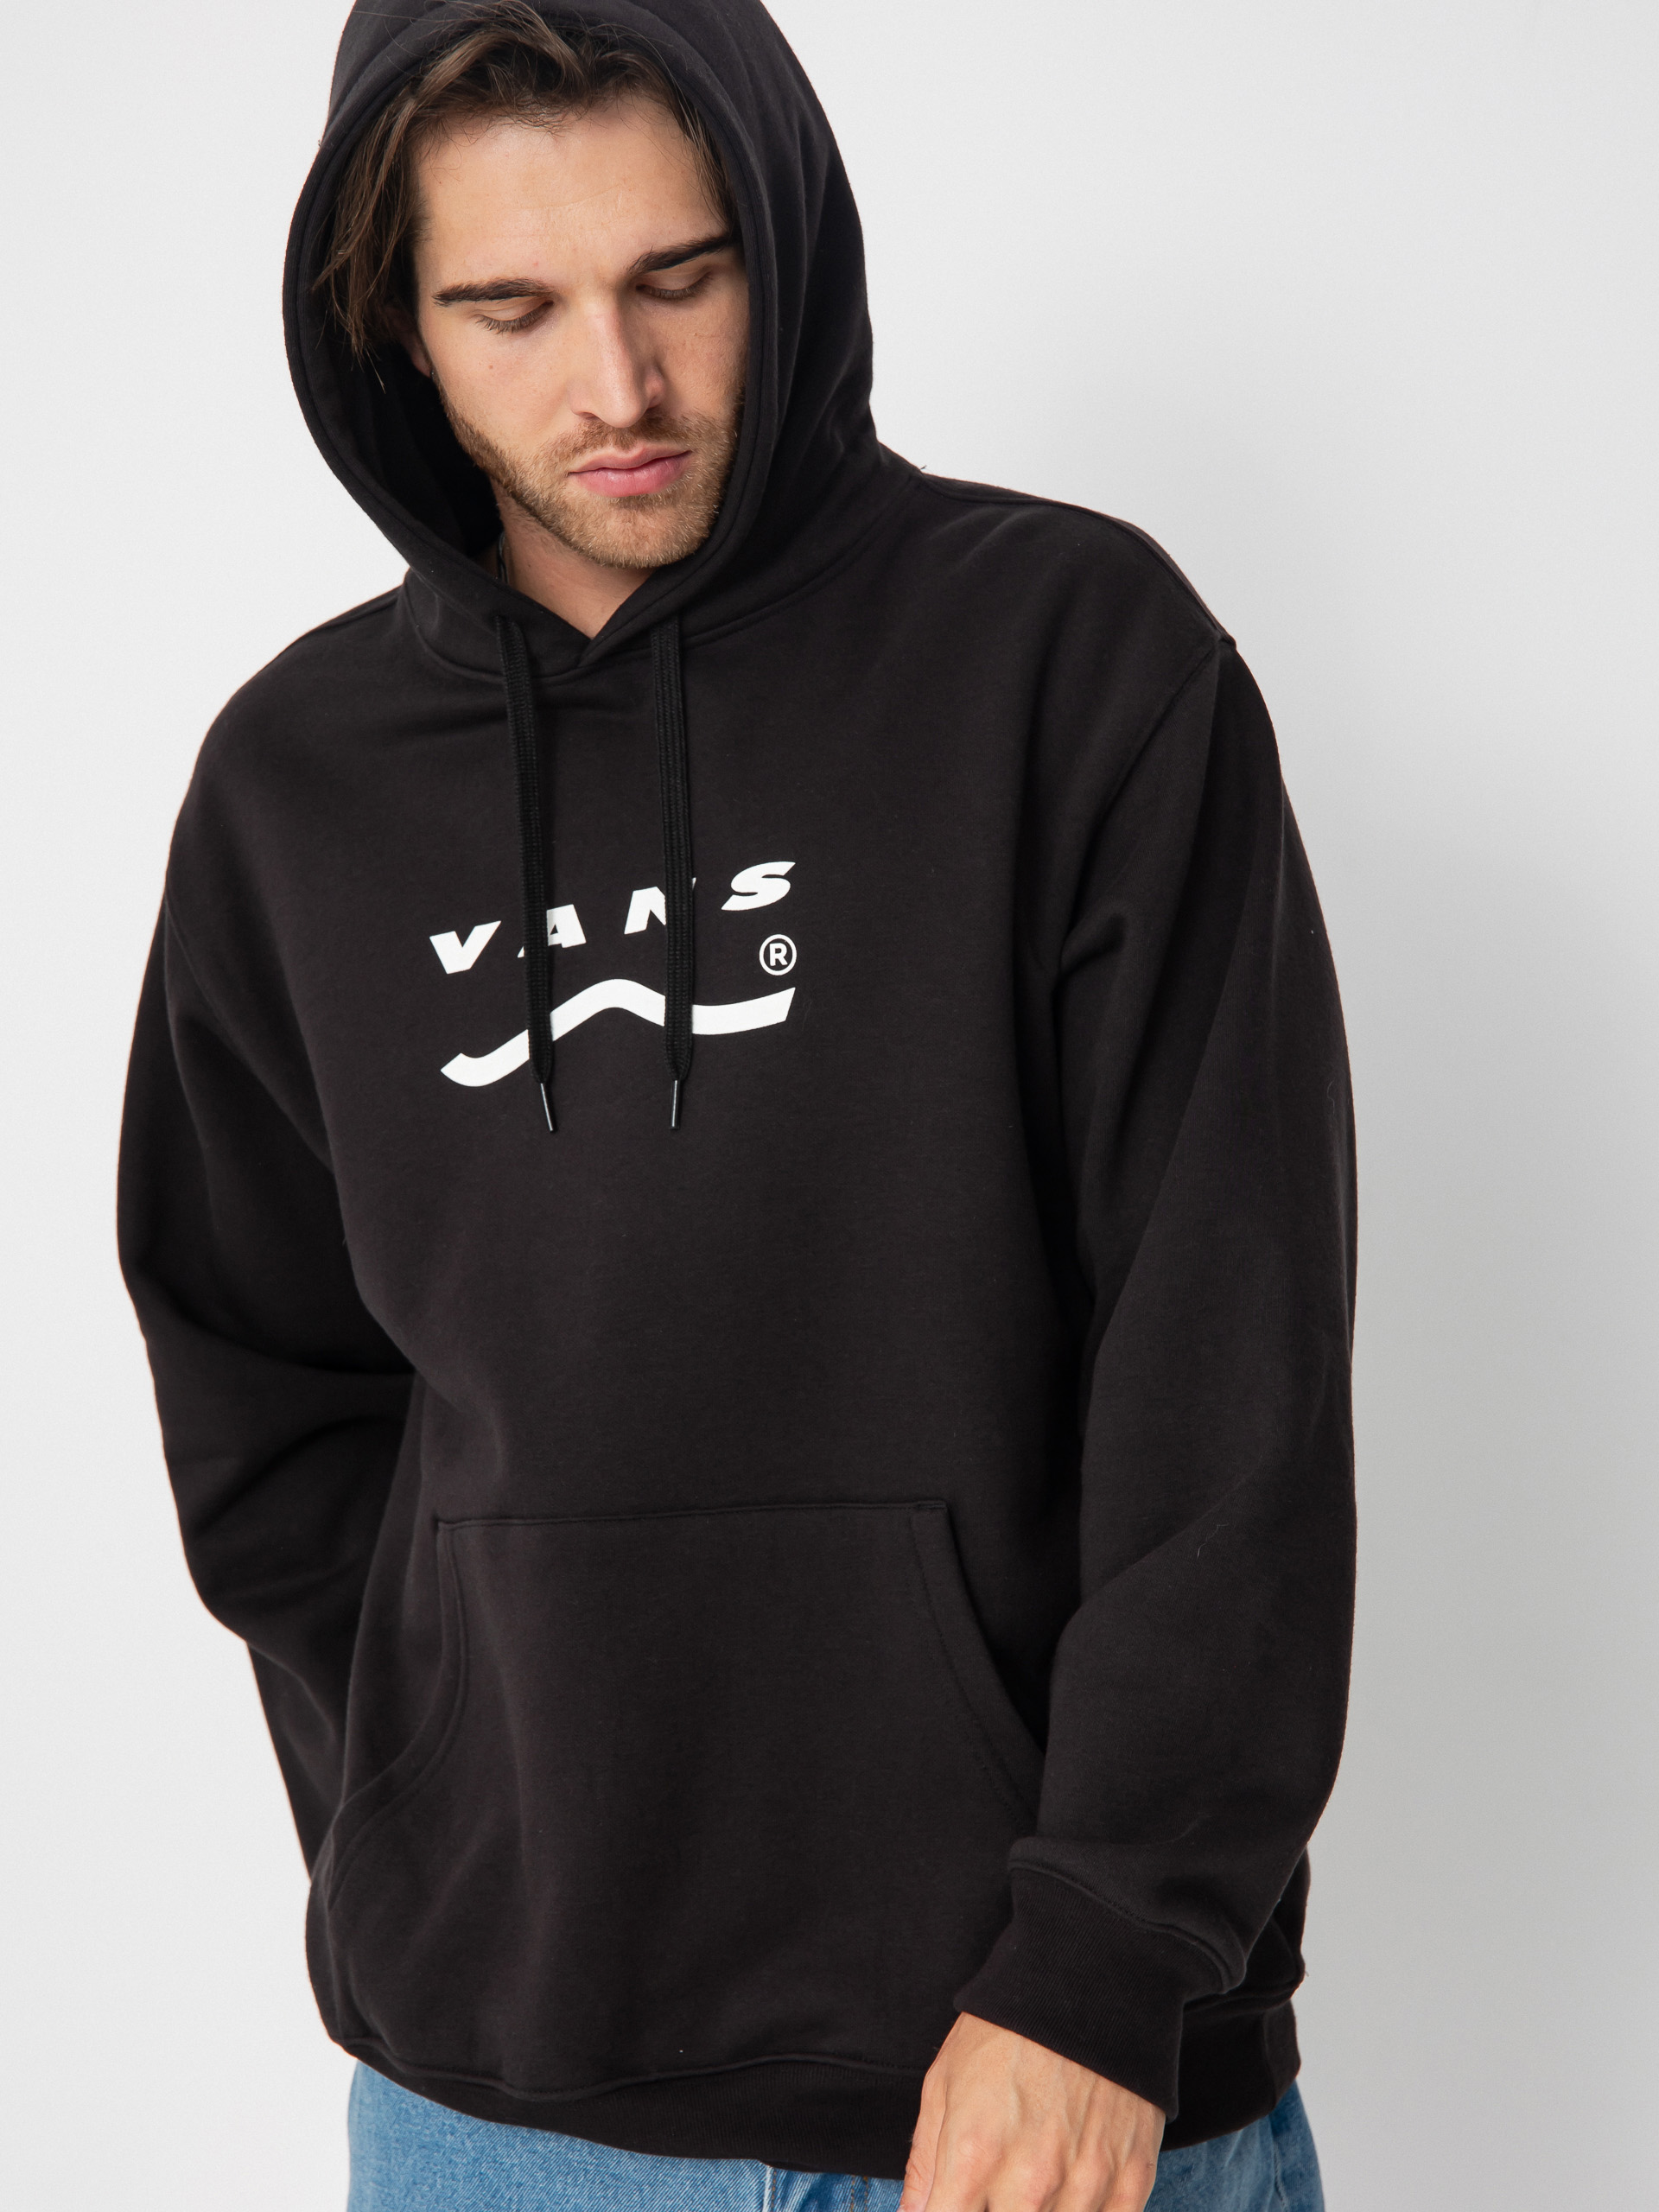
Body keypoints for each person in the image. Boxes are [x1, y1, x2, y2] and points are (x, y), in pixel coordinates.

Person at [116, 3, 1357, 2208]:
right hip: (502, 2117)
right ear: (394, 325)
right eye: (511, 309)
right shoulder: (296, 789)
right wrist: (431, 1821)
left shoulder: (1070, 659)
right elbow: (264, 1393)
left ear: (783, 240)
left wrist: (1108, 1955)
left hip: (1035, 2082)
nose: (618, 385)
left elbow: (1226, 1364)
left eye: (678, 278)